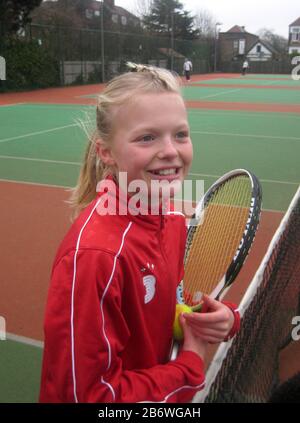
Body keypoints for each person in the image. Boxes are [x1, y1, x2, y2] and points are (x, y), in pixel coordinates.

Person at [39, 63, 240, 403]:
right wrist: (189, 365)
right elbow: (87, 396)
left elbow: (166, 309)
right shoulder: (94, 257)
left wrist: (213, 320)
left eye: (180, 134)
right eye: (147, 137)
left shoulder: (172, 221)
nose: (170, 151)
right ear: (106, 152)